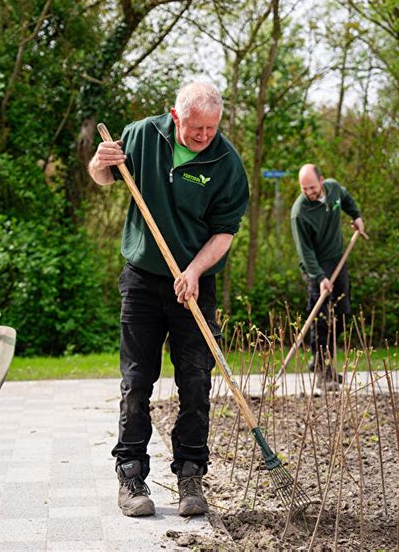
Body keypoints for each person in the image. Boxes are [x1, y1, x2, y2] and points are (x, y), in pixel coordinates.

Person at [88, 82, 249, 518]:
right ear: (176, 117)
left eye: (211, 128)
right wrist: (100, 164)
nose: (204, 136)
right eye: (196, 128)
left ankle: (192, 474)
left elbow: (225, 232)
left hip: (195, 282)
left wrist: (194, 271)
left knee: (195, 381)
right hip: (141, 279)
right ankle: (131, 473)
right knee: (137, 379)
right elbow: (106, 176)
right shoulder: (143, 134)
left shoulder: (226, 163)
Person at [290, 164, 365, 388]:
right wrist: (319, 277)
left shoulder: (333, 189)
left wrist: (356, 216)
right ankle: (322, 371)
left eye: (312, 187)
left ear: (321, 181)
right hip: (315, 266)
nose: (309, 192)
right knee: (321, 318)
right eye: (304, 189)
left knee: (342, 313)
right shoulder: (299, 213)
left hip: (337, 260)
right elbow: (305, 252)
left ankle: (326, 365)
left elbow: (345, 197)